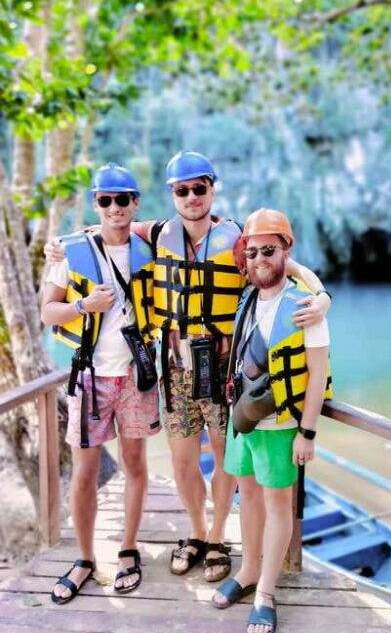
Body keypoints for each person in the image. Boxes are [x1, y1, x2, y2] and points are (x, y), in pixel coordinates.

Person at [44, 151, 330, 584]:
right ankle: (196, 532)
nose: (192, 196)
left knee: (225, 459)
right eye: (183, 190)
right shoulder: (158, 232)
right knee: (182, 461)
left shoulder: (238, 239)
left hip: (223, 369)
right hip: (175, 367)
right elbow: (108, 227)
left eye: (200, 188)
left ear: (212, 188)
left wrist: (322, 295)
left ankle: (217, 538)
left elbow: (287, 266)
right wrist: (62, 244)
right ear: (172, 194)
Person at [211, 208, 331, 633]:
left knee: (278, 505)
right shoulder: (248, 299)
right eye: (253, 251)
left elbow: (317, 374)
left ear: (286, 252)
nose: (260, 258)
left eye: (270, 250)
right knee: (247, 496)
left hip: (280, 425)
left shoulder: (305, 307)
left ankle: (266, 591)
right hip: (243, 418)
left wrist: (308, 432)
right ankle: (247, 570)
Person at [41, 164, 160, 603]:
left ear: (135, 203)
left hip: (135, 376)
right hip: (90, 375)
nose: (114, 207)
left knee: (135, 464)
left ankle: (128, 549)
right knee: (85, 472)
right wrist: (84, 306)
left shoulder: (149, 250)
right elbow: (47, 312)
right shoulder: (70, 253)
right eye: (106, 200)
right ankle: (85, 558)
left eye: (122, 199)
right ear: (96, 203)